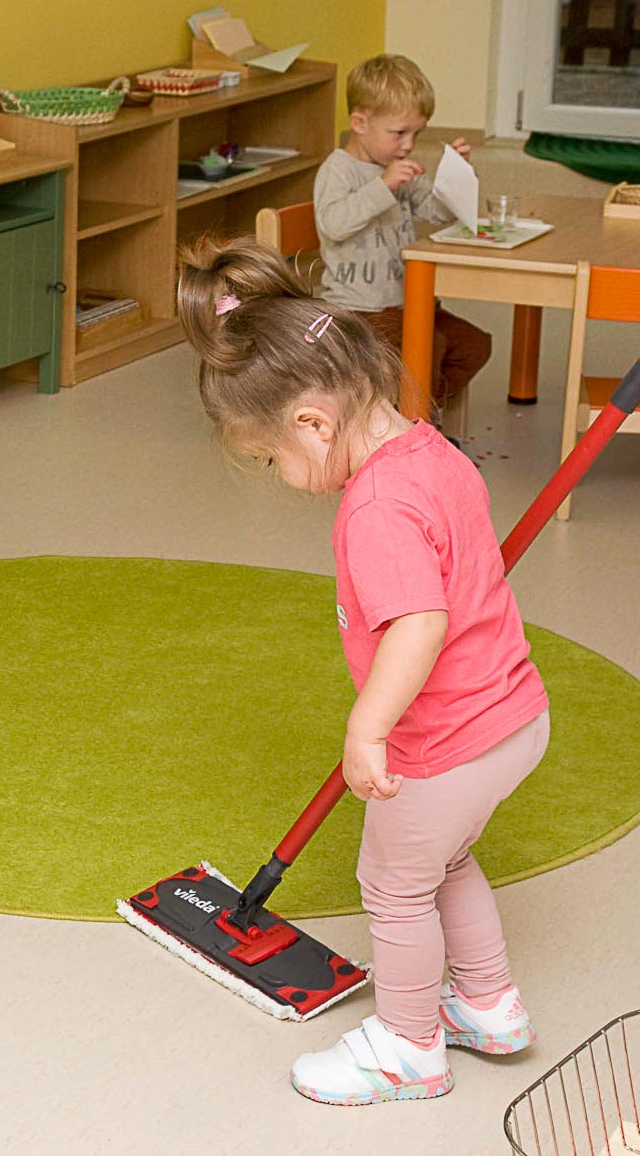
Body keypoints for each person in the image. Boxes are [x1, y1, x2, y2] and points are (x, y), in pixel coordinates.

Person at [176, 235, 549, 1106]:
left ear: (312, 420)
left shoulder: (375, 506)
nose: (283, 476)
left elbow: (420, 623)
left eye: (274, 458)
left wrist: (367, 726)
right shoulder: (429, 449)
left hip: (446, 740)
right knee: (446, 860)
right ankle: (489, 1004)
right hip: (513, 717)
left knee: (391, 883)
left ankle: (409, 1046)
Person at [312, 54, 491, 423]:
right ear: (359, 123)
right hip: (359, 311)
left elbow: (437, 212)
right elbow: (333, 223)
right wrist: (383, 186)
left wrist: (456, 176)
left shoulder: (396, 169)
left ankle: (410, 413)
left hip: (406, 302)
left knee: (473, 345)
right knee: (428, 347)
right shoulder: (339, 170)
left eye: (416, 134)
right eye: (399, 133)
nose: (408, 145)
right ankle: (416, 428)